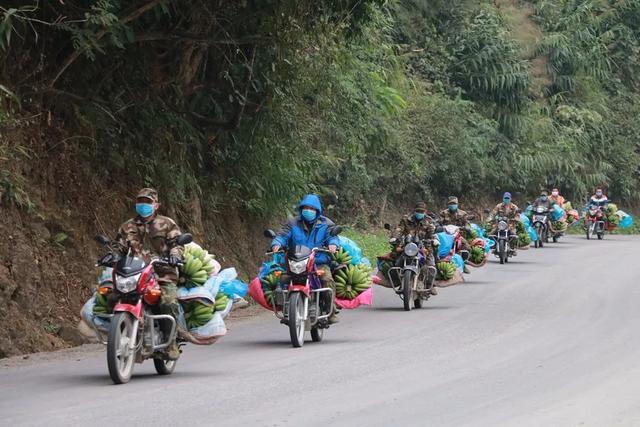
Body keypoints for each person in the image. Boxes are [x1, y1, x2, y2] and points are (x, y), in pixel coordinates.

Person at [115, 188, 184, 360]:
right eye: (141, 202)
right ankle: (118, 333)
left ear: (156, 205)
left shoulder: (167, 224)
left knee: (168, 302)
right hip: (135, 273)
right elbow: (120, 247)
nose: (143, 205)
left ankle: (171, 343)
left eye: (147, 202)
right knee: (110, 296)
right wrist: (112, 255)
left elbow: (177, 244)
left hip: (163, 273)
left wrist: (175, 255)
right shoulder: (127, 226)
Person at [271, 194, 341, 323]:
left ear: (317, 210)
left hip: (318, 262)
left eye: (312, 208)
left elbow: (332, 236)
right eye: (306, 208)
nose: (308, 211)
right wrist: (277, 243)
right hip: (295, 262)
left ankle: (330, 311)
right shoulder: (292, 223)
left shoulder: (326, 223)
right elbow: (282, 235)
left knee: (327, 280)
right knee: (280, 280)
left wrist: (333, 244)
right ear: (301, 209)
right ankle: (286, 307)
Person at [391, 202, 439, 294]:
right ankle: (401, 281)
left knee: (431, 265)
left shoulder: (429, 221)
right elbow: (399, 229)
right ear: (414, 211)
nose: (419, 213)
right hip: (408, 246)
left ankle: (429, 285)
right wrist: (394, 237)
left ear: (425, 212)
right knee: (396, 262)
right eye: (418, 211)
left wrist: (434, 240)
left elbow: (432, 234)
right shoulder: (406, 219)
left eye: (422, 211)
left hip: (424, 246)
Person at [439, 196, 471, 273]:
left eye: (454, 203)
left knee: (467, 247)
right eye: (451, 203)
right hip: (445, 235)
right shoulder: (443, 213)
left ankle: (463, 263)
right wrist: (439, 226)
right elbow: (439, 222)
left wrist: (466, 227)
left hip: (458, 235)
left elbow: (467, 224)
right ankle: (439, 263)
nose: (452, 205)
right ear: (448, 204)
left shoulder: (463, 214)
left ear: (457, 204)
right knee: (437, 246)